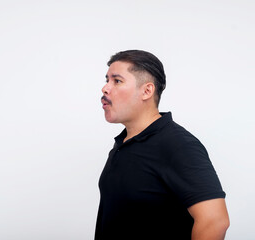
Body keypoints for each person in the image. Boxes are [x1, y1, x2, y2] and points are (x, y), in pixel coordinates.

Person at [95, 50, 229, 240]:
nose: (105, 88)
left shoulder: (178, 145)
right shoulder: (123, 143)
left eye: (117, 81)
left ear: (147, 91)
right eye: (107, 79)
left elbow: (215, 221)